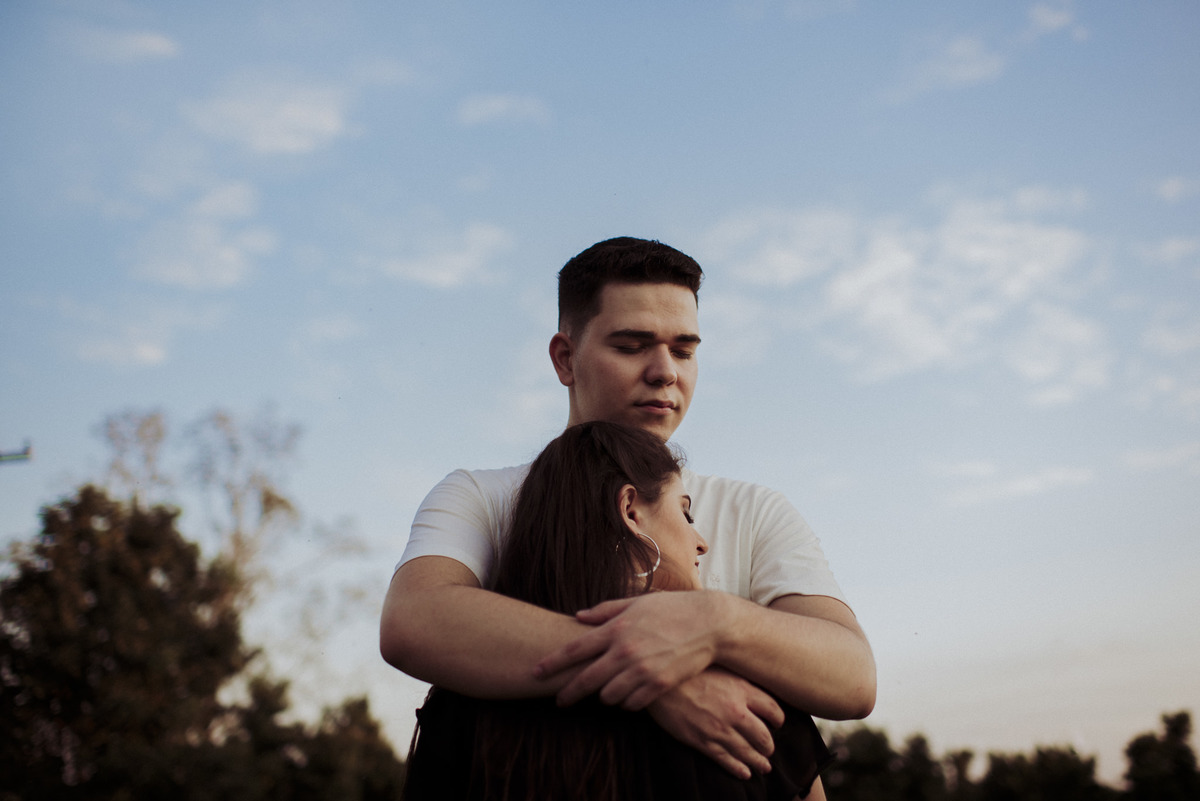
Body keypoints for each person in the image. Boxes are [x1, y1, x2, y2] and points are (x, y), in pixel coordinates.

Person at [381, 237, 875, 779]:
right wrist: (658, 676)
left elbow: (852, 678)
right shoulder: (481, 496)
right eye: (632, 346)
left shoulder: (754, 511)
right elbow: (414, 620)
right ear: (565, 359)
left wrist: (716, 621)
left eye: (683, 351)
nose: (666, 372)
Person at [402, 421, 833, 800]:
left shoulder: (461, 705)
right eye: (685, 514)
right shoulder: (750, 709)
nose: (701, 542)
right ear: (630, 511)